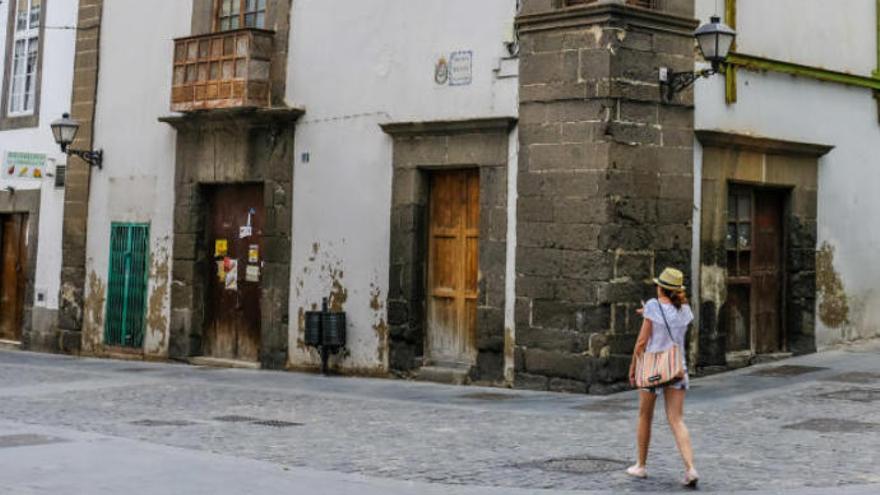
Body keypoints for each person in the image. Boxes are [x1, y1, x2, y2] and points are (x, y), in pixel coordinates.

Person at [625, 267, 699, 488]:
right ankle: (690, 468)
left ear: (661, 288)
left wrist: (633, 366)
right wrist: (647, 313)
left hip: (652, 368)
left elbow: (641, 342)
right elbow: (670, 319)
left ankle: (641, 465)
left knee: (644, 416)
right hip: (676, 368)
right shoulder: (685, 310)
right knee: (677, 419)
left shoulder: (652, 306)